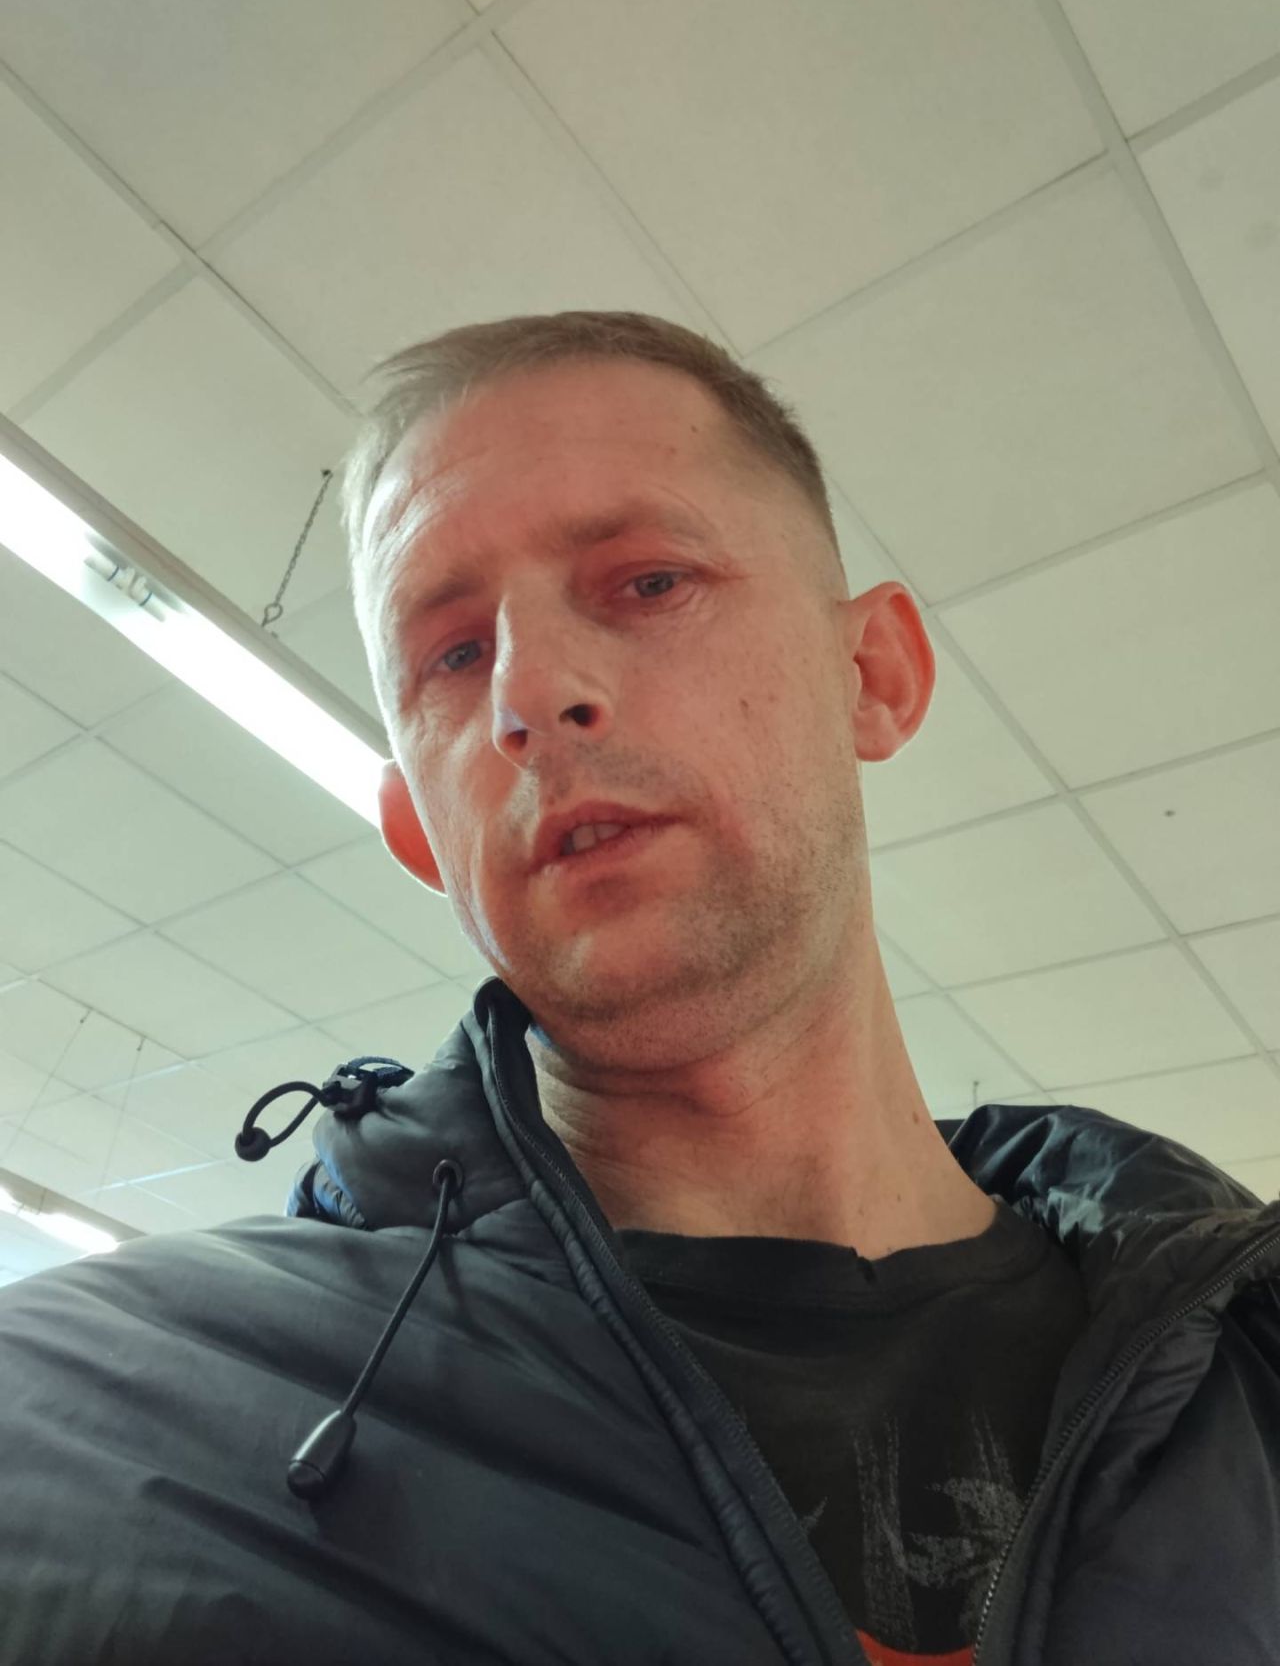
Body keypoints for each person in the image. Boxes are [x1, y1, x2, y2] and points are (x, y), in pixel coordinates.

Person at [1, 312, 1278, 1666]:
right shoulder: (90, 1433)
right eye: (453, 655)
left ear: (873, 677)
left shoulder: (1248, 1378)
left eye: (649, 582)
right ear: (418, 830)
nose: (533, 694)